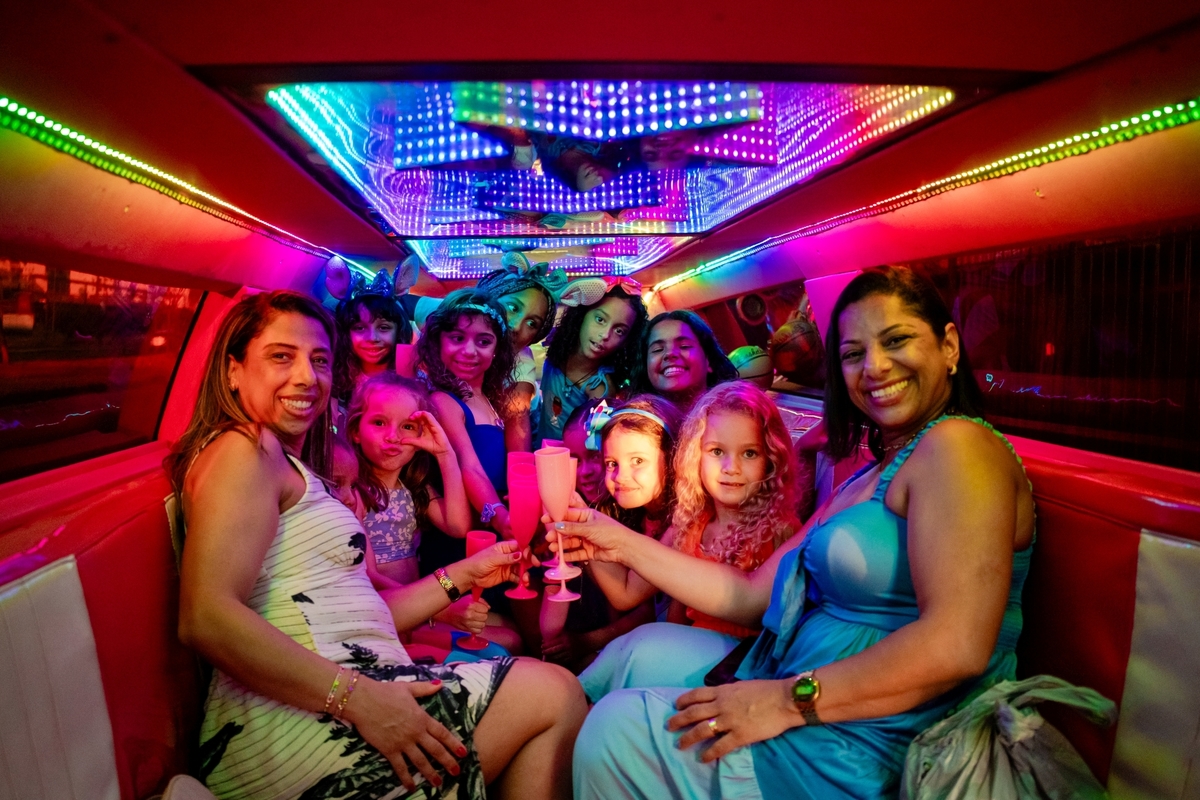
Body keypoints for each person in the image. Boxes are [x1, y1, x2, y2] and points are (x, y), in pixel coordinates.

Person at [555, 266, 1036, 799]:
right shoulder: (870, 473)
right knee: (639, 651)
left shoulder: (959, 447)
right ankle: (542, 720)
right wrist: (614, 540)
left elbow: (958, 645)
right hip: (794, 673)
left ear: (949, 347)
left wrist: (783, 701)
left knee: (613, 732)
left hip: (868, 737)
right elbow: (747, 595)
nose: (875, 366)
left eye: (896, 340)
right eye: (853, 353)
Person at [166, 290, 586, 800]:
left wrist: (465, 574)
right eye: (282, 356)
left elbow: (362, 610)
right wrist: (360, 700)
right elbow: (205, 617)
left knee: (547, 690)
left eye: (320, 360)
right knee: (556, 694)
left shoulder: (286, 464)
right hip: (295, 727)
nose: (307, 377)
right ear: (233, 369)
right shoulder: (243, 448)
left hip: (355, 683)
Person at [577, 383, 801, 699]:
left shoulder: (781, 532)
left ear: (771, 459)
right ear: (695, 455)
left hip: (741, 675)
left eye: (749, 453)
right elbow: (634, 599)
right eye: (717, 452)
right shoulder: (688, 527)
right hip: (683, 663)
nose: (731, 468)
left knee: (629, 656)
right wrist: (582, 531)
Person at [348, 372, 523, 654]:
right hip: (386, 615)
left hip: (422, 608)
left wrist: (444, 454)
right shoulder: (355, 494)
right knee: (507, 643)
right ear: (356, 430)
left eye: (407, 426)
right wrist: (443, 610)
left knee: (512, 629)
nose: (393, 437)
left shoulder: (412, 487)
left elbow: (458, 525)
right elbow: (369, 576)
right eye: (379, 423)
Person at [416, 289, 515, 537]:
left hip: (498, 527)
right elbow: (468, 466)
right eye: (457, 338)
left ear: (497, 349)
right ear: (438, 342)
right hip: (464, 537)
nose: (470, 350)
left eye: (483, 342)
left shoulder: (493, 401)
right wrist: (500, 517)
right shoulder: (443, 401)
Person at [538, 276, 648, 444]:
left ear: (626, 341)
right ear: (582, 315)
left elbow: (591, 444)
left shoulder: (600, 388)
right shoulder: (557, 346)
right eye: (600, 320)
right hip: (537, 450)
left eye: (619, 331)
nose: (605, 335)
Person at [475, 251, 566, 452]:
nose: (516, 326)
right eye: (513, 307)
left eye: (532, 323)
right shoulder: (451, 322)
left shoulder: (521, 360)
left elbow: (517, 411)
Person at [331, 274, 413, 407]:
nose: (372, 338)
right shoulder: (335, 381)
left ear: (399, 332)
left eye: (383, 328)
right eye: (359, 328)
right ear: (346, 333)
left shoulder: (414, 380)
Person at [634, 310, 739, 411]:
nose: (669, 353)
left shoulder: (738, 413)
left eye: (684, 346)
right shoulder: (633, 421)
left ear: (709, 360)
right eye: (658, 349)